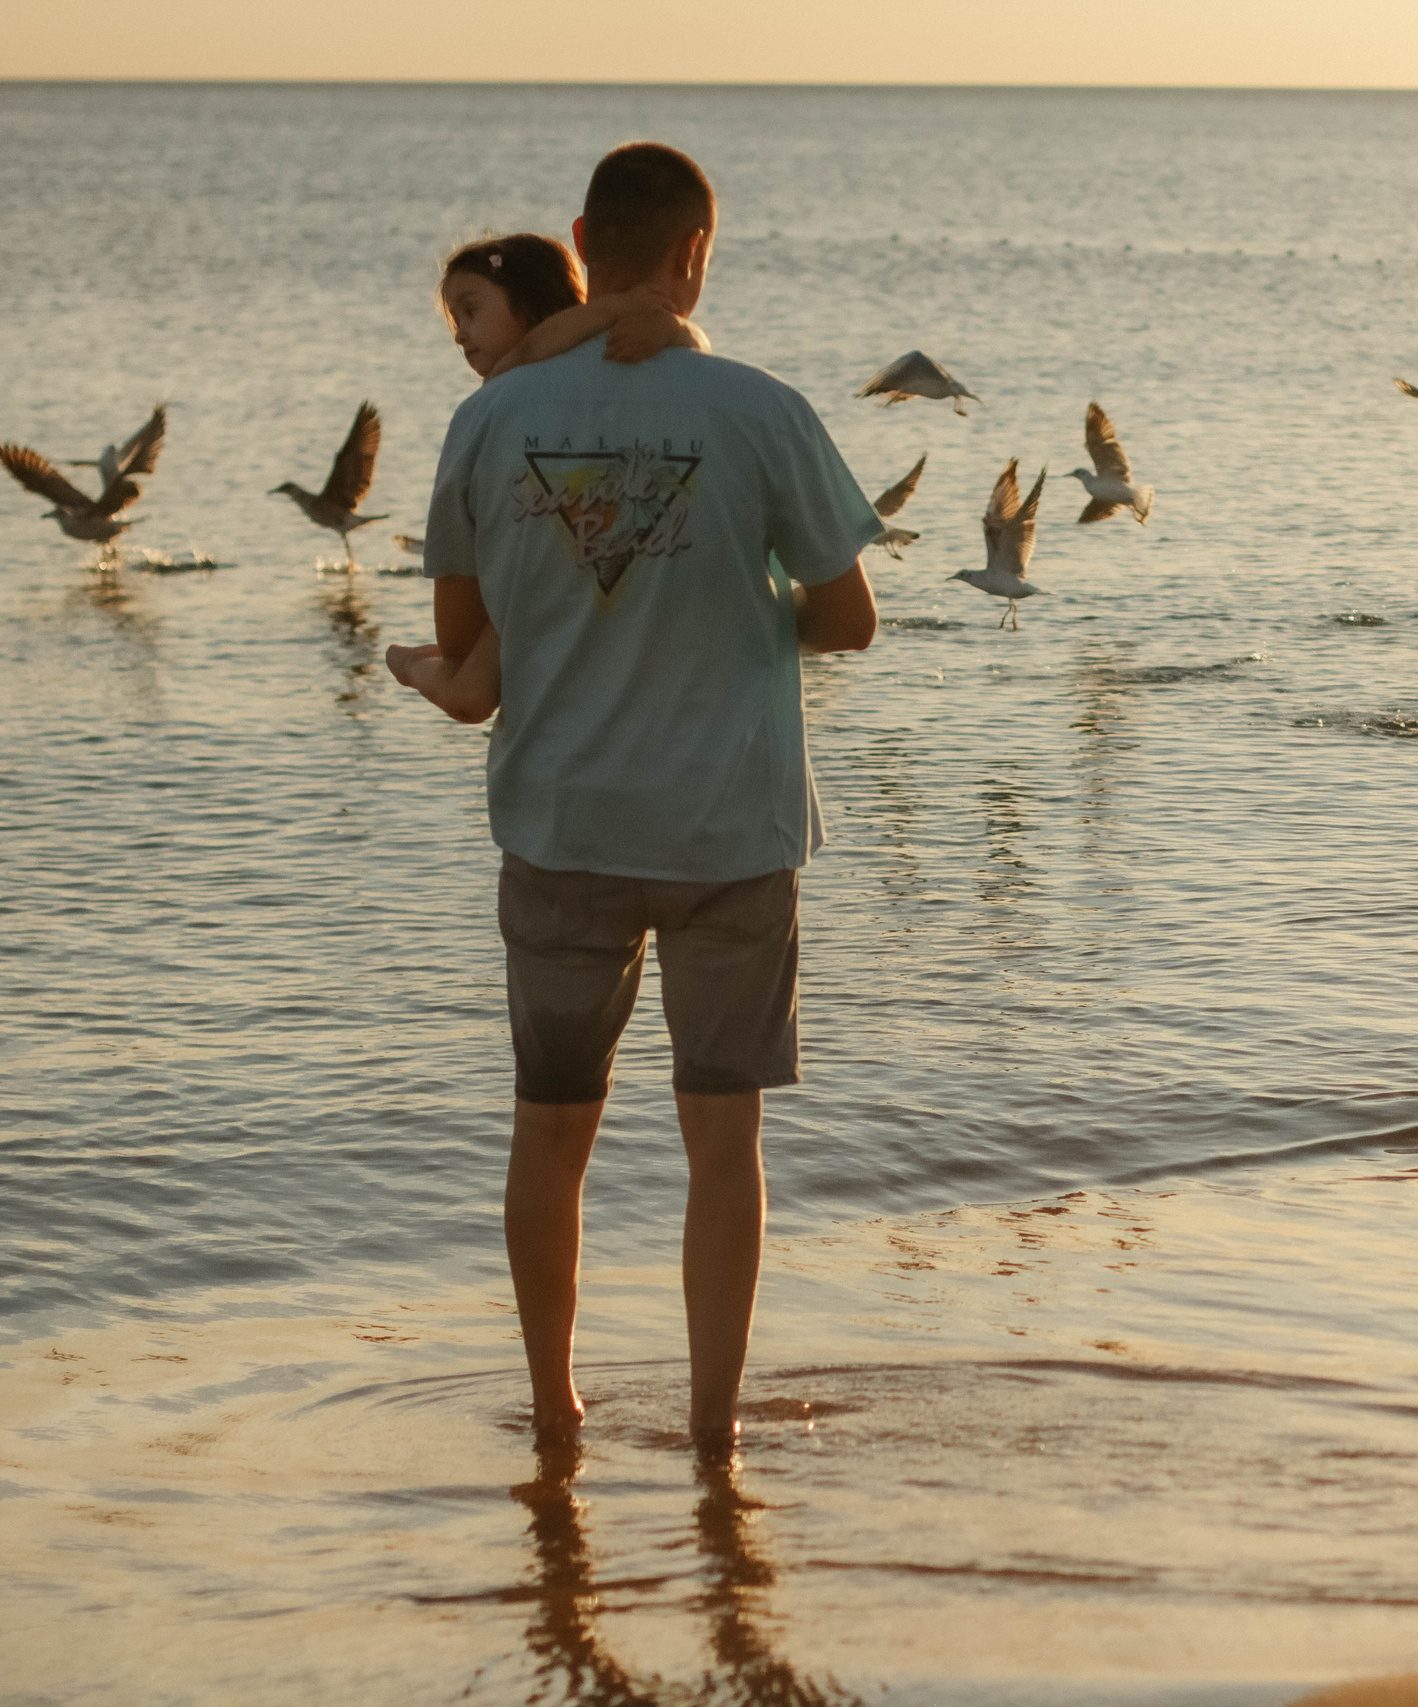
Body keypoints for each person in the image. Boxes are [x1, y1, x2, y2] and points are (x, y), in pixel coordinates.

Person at [410, 142, 883, 1454]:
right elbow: (849, 620)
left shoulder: (490, 420)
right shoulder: (762, 408)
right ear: (696, 254)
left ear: (580, 238)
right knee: (721, 1144)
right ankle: (714, 1425)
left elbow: (466, 641)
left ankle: (556, 1410)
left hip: (563, 827)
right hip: (732, 830)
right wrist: (725, 593)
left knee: (550, 1130)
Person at [389, 232, 706, 715]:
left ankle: (414, 668)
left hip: (558, 606)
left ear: (534, 304)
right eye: (455, 319)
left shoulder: (499, 402)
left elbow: (455, 639)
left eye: (470, 311)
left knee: (467, 686)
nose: (458, 333)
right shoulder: (623, 371)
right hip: (641, 626)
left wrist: (618, 311)